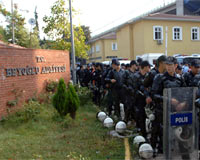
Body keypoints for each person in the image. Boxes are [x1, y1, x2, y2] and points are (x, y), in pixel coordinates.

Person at [151, 56, 186, 155]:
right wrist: (168, 100)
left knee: (177, 132)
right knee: (159, 131)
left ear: (175, 66)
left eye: (170, 65)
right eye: (167, 65)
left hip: (176, 111)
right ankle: (156, 149)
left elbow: (186, 93)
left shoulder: (180, 78)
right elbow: (154, 94)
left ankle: (174, 149)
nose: (168, 67)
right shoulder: (159, 78)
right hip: (161, 110)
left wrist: (183, 103)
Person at [132, 60, 151, 138]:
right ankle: (142, 133)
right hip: (139, 100)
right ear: (145, 67)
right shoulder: (136, 76)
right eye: (148, 67)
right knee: (141, 116)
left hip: (148, 99)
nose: (149, 68)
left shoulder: (148, 76)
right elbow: (134, 89)